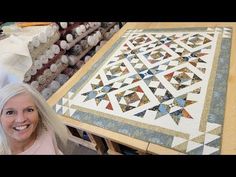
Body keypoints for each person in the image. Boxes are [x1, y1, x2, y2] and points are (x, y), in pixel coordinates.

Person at [0, 83, 69, 155]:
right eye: (10, 112)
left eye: (29, 110)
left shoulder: (46, 129)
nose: (21, 119)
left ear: (38, 112)